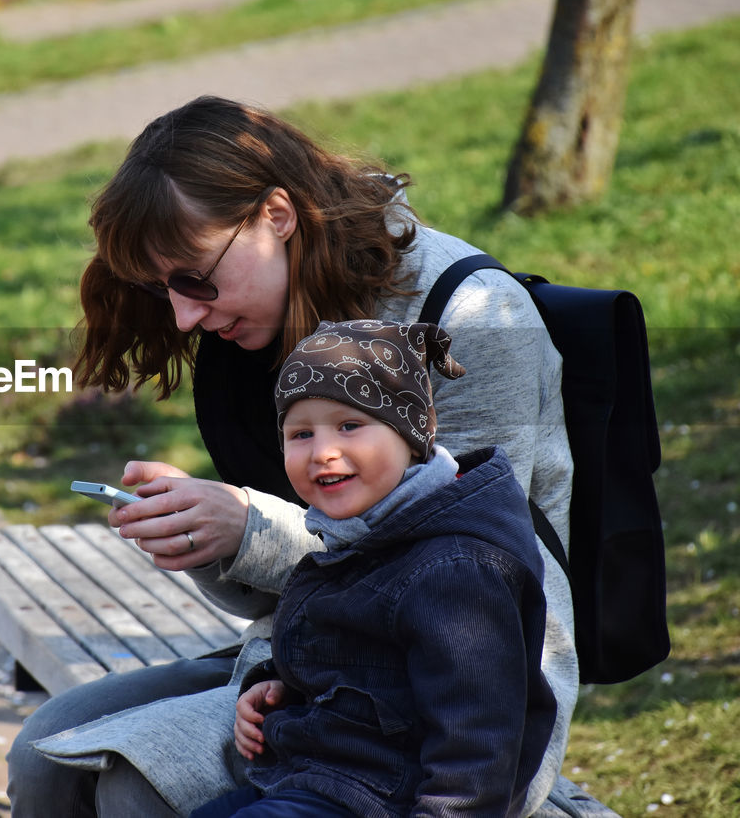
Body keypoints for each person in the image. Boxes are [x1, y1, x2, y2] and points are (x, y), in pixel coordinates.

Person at [7, 95, 580, 817]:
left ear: (277, 216)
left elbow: (467, 565)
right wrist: (207, 538)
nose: (184, 316)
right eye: (161, 288)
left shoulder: (468, 315)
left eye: (192, 276)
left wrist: (248, 525)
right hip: (309, 659)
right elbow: (285, 589)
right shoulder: (249, 324)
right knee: (44, 755)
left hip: (442, 708)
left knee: (134, 788)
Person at [189, 319, 556, 817]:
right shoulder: (369, 527)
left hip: (385, 799)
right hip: (326, 776)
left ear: (418, 428)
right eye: (300, 434)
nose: (323, 452)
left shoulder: (457, 569)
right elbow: (365, 656)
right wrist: (280, 683)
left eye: (349, 425)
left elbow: (477, 743)